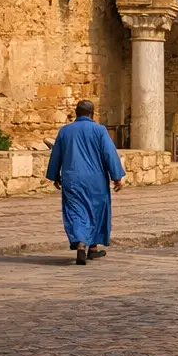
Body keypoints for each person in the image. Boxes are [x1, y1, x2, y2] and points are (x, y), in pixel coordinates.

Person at [45, 99, 126, 266]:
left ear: (76, 113)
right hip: (96, 180)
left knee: (75, 211)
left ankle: (82, 243)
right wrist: (117, 176)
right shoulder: (99, 130)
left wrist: (55, 176)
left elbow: (56, 155)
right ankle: (92, 247)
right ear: (92, 114)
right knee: (96, 211)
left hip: (72, 178)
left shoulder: (65, 131)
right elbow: (109, 153)